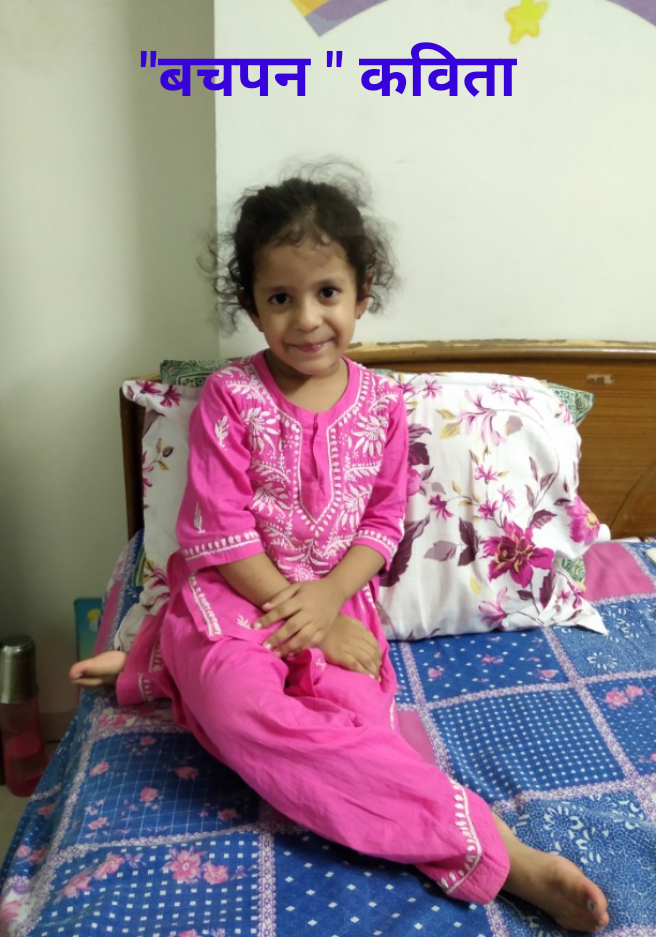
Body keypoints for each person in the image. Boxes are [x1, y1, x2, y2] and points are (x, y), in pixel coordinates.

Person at [71, 171, 609, 933]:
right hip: (238, 597)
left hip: (338, 598)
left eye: (327, 292)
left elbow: (382, 524)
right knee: (239, 707)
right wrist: (307, 621)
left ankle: (161, 666)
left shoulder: (385, 404)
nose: (306, 318)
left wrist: (328, 608)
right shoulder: (230, 396)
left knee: (359, 727)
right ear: (253, 306)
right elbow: (219, 532)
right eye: (280, 298)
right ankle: (501, 852)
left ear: (361, 295)